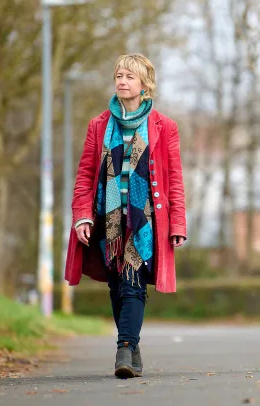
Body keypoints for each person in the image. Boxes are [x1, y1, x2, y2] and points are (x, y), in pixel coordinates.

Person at [64, 54, 187, 379]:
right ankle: (132, 347)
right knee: (118, 285)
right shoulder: (99, 125)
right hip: (108, 218)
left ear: (145, 84)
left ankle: (124, 347)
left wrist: (177, 223)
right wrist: (82, 216)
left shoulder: (164, 127)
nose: (122, 81)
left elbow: (175, 179)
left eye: (129, 76)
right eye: (119, 75)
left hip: (144, 220)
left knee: (133, 282)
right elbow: (85, 175)